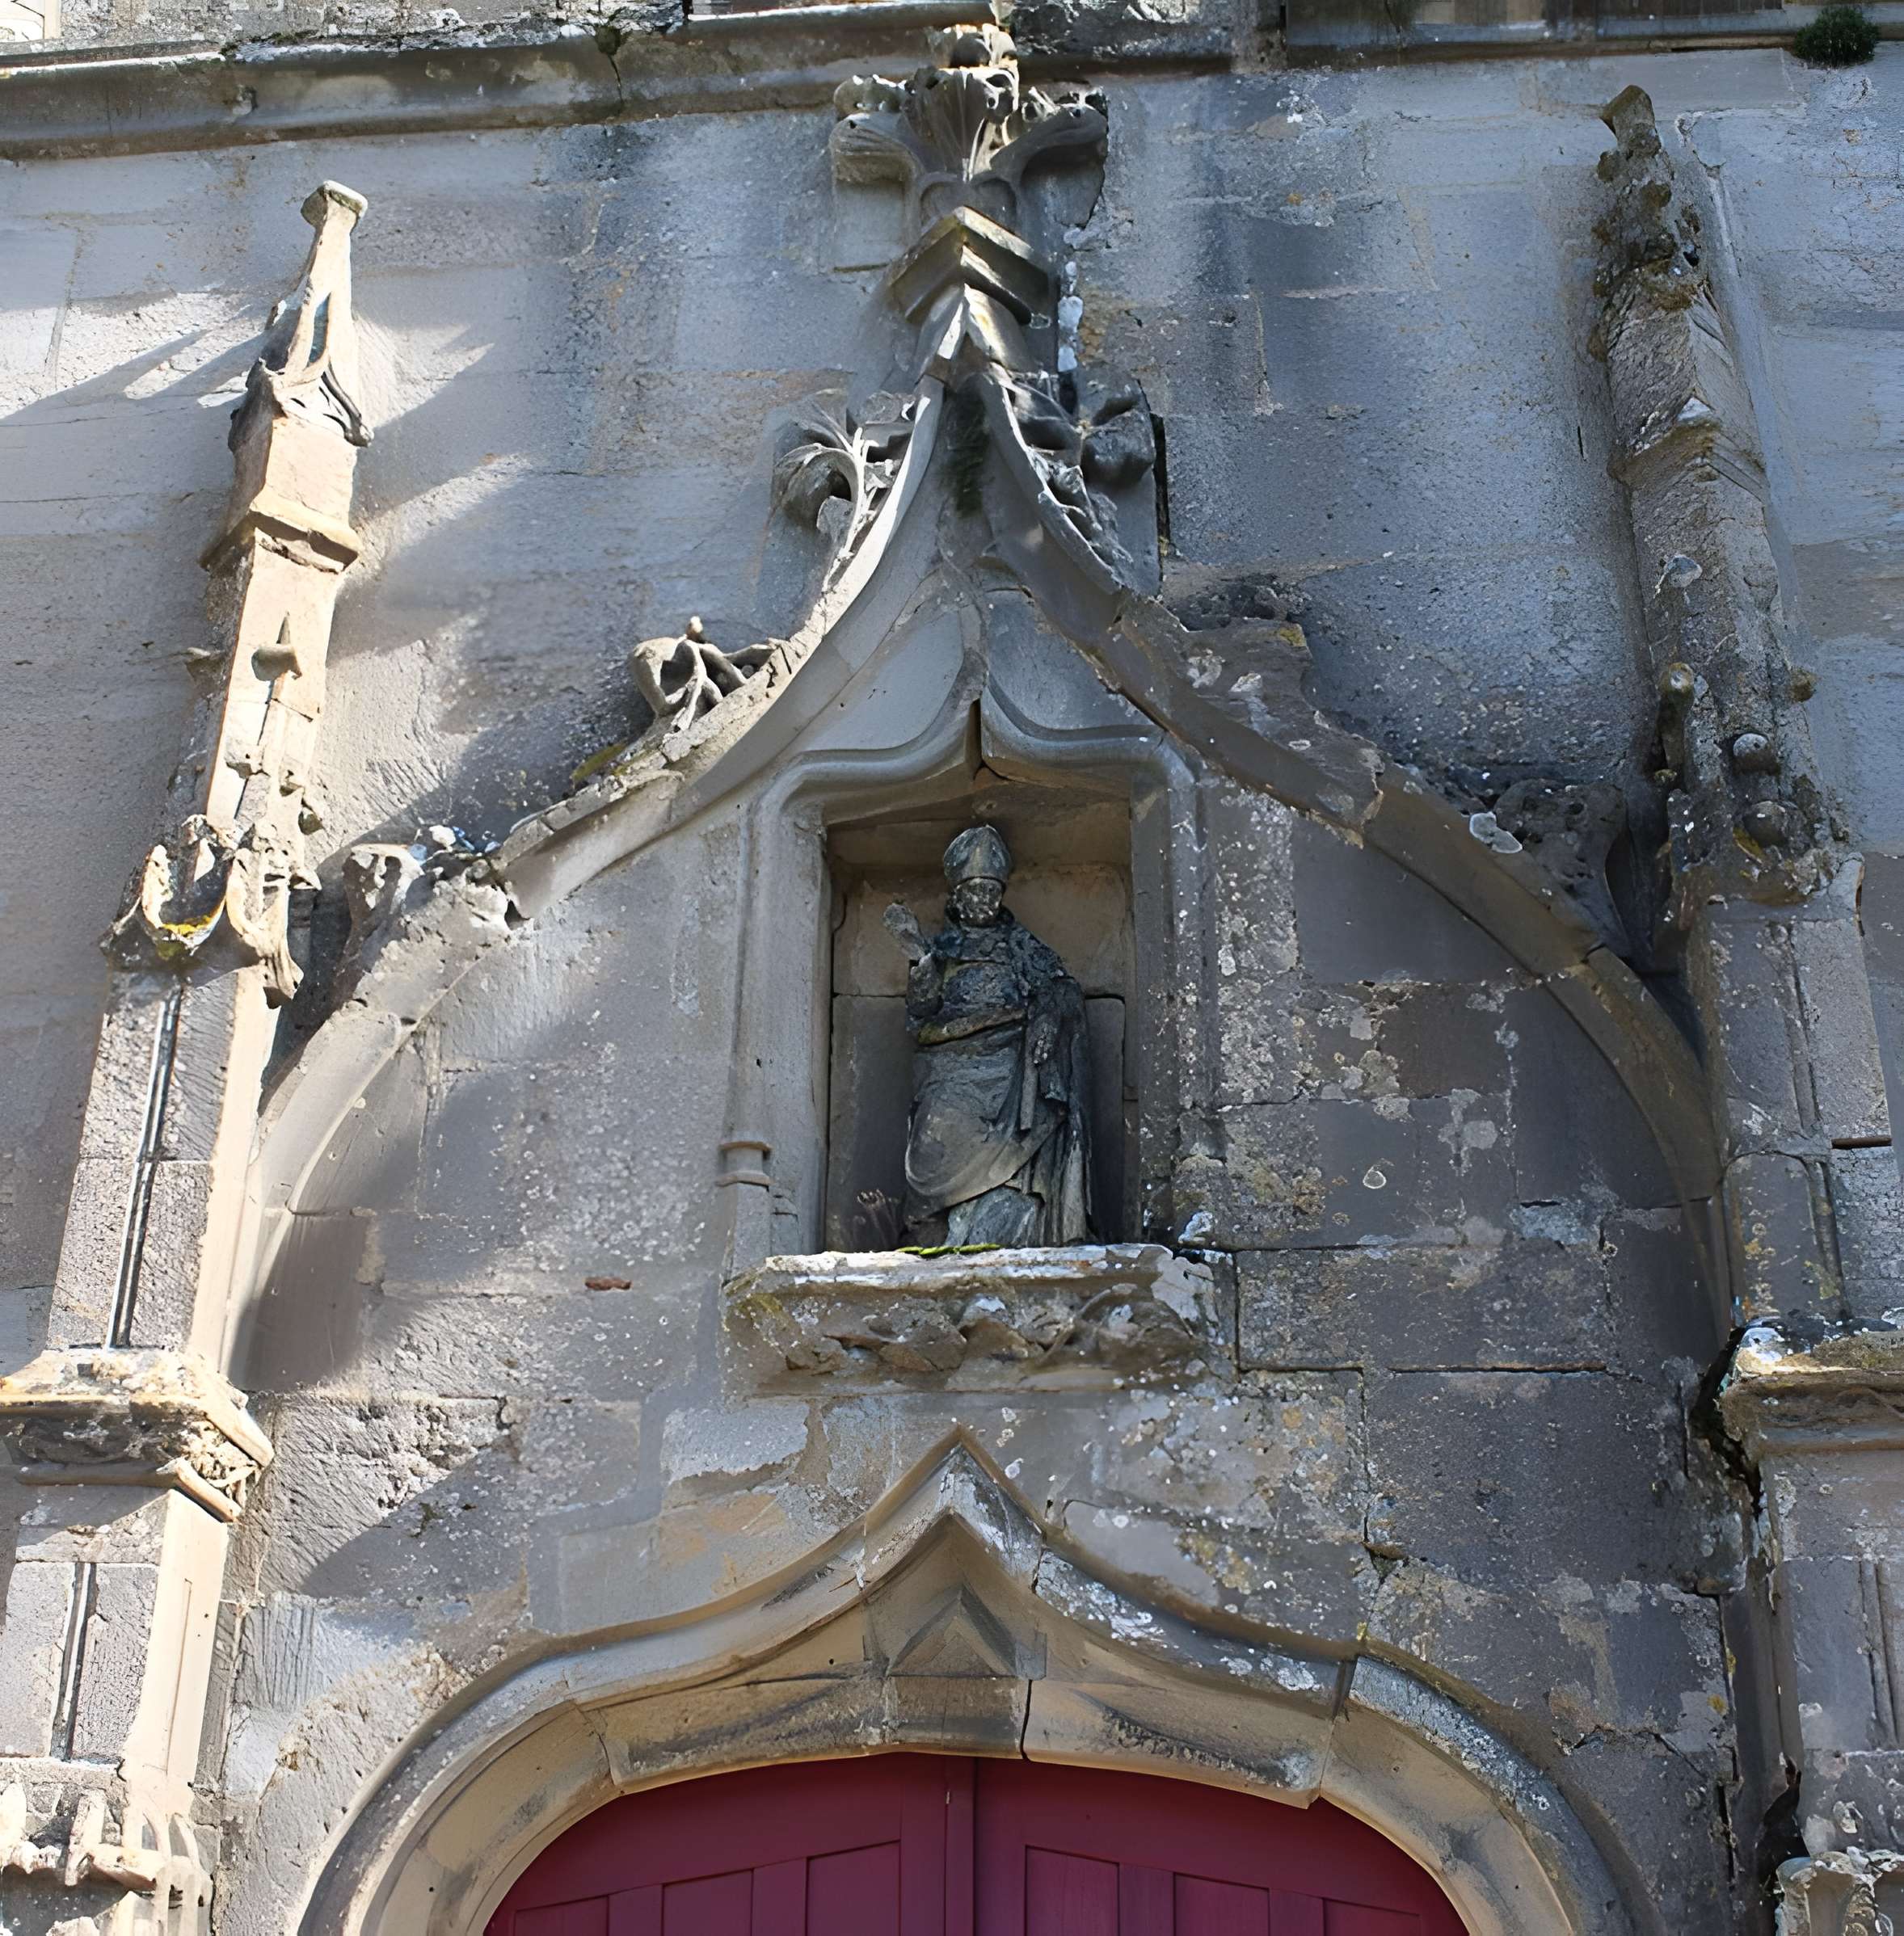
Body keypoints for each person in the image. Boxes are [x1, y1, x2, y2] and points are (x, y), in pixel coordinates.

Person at [882, 825, 1092, 1246]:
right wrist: (919, 959)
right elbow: (921, 1010)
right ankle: (935, 1231)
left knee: (1018, 1143)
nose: (985, 901)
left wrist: (1048, 1017)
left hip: (1010, 1063)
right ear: (957, 897)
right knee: (931, 1143)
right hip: (950, 1061)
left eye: (993, 892)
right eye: (976, 892)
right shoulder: (942, 950)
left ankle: (1000, 1222)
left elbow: (1062, 988)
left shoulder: (1021, 946)